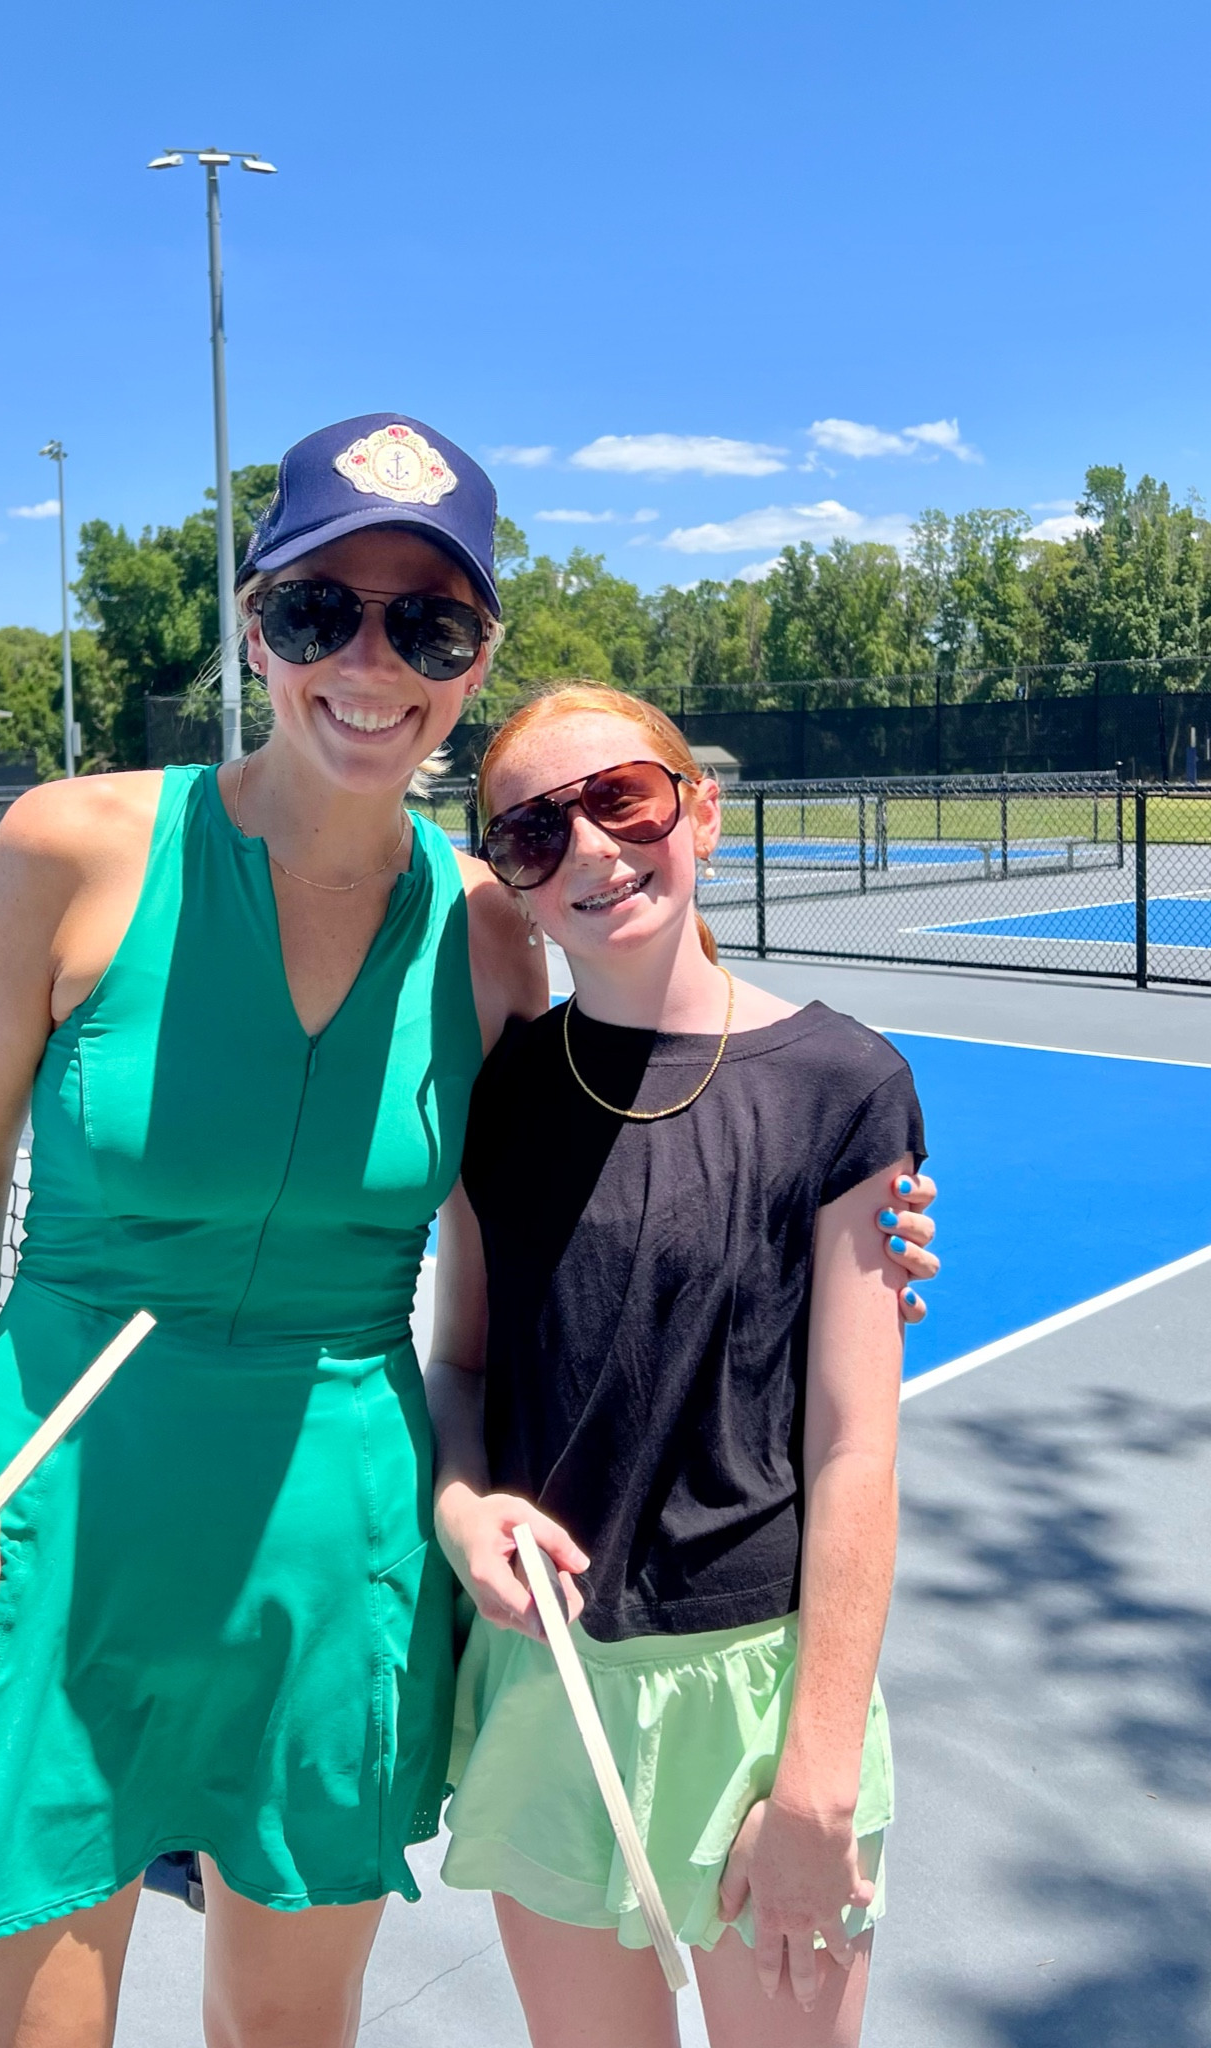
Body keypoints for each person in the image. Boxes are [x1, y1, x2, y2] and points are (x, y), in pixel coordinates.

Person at [0, 417, 937, 2048]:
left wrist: (844, 1200)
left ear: (474, 659)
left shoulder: (490, 929)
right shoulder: (67, 849)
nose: (370, 663)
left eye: (427, 626)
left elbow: (621, 1133)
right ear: (256, 627)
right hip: (54, 1514)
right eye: (319, 611)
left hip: (339, 1538)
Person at [431, 683, 925, 2048]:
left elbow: (855, 1448)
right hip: (549, 1688)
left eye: (624, 799)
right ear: (509, 878)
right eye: (534, 832)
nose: (591, 849)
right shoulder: (499, 1098)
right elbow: (462, 1364)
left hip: (761, 1703)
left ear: (699, 810)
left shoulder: (846, 1086)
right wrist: (461, 1507)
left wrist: (819, 1771)